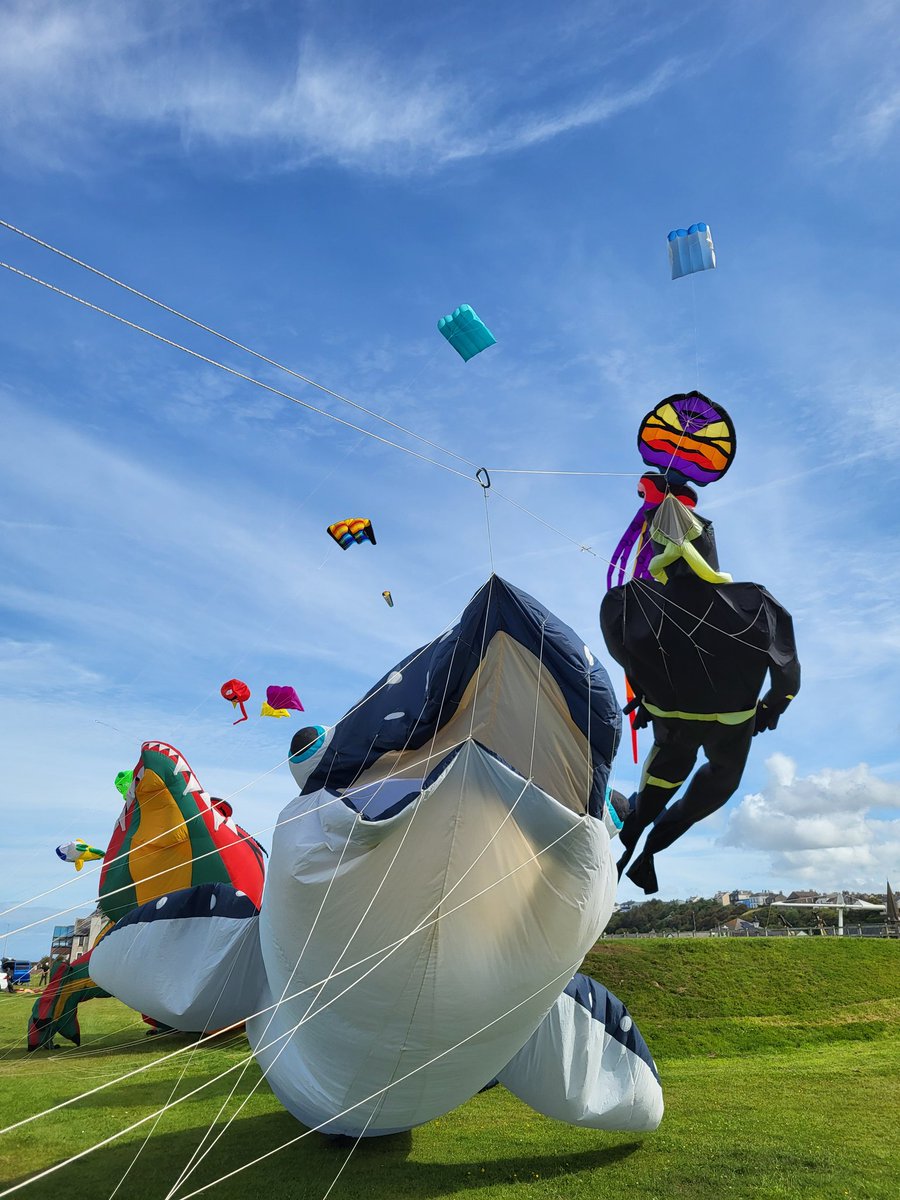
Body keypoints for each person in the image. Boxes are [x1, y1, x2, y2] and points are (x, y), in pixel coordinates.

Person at [600, 493, 799, 895]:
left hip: (673, 726)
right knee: (717, 786)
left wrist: (646, 697)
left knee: (657, 786)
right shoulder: (755, 602)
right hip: (733, 727)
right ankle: (646, 849)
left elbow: (628, 659)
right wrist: (770, 709)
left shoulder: (627, 603)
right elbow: (788, 675)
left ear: (656, 550)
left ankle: (631, 842)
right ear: (710, 546)